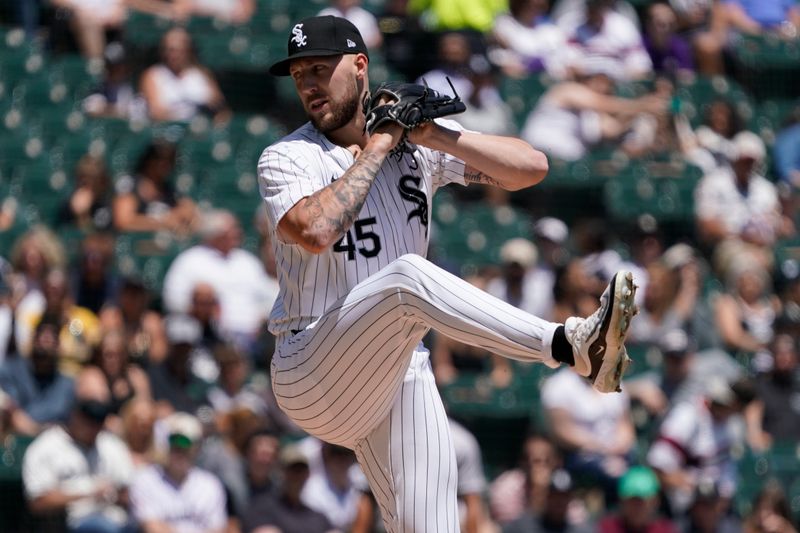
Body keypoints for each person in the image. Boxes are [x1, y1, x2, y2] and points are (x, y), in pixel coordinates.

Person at [259, 15, 638, 532]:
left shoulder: (418, 148)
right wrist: (379, 146)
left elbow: (531, 167)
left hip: (393, 373)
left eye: (320, 69)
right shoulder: (287, 156)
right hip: (311, 364)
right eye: (299, 74)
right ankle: (569, 345)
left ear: (360, 65)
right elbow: (317, 230)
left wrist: (433, 134)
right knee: (408, 279)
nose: (307, 84)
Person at [22, 372, 136, 533]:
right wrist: (89, 493)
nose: (94, 425)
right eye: (89, 417)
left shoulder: (111, 444)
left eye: (100, 419)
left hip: (116, 518)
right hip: (72, 523)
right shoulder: (45, 447)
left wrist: (117, 494)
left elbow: (128, 491)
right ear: (75, 413)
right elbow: (38, 501)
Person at [162, 209, 278, 355]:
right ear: (215, 233)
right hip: (207, 337)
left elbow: (270, 295)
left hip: (253, 339)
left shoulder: (247, 261)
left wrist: (261, 317)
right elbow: (173, 299)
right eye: (231, 230)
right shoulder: (191, 260)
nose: (237, 233)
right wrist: (202, 309)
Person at [130, 411, 228, 533]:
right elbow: (152, 527)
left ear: (196, 448)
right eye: (174, 443)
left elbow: (217, 529)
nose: (179, 450)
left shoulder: (210, 485)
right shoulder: (146, 480)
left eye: (185, 445)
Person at [140, 27, 229, 124]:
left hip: (200, 131)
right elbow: (157, 113)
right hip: (167, 131)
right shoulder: (153, 75)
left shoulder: (201, 74)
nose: (174, 55)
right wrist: (187, 114)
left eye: (179, 50)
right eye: (169, 50)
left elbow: (221, 109)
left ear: (188, 50)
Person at [597, 465, 679, 533]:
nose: (637, 508)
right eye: (632, 501)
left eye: (642, 502)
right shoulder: (605, 528)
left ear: (655, 501)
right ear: (621, 501)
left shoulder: (666, 530)